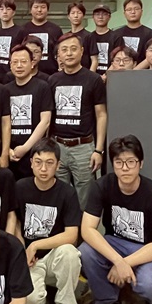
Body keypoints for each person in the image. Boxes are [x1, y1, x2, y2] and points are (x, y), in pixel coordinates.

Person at [79, 135, 152, 304]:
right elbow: (87, 229)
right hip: (115, 242)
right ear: (113, 165)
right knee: (85, 251)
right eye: (119, 162)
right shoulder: (102, 186)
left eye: (131, 162)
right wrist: (117, 260)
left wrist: (125, 263)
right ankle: (107, 300)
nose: (125, 168)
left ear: (141, 163)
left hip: (146, 248)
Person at [14, 138, 82, 304]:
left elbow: (72, 235)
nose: (43, 168)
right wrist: (22, 250)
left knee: (70, 253)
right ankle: (42, 289)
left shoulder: (67, 193)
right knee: (30, 302)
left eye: (49, 163)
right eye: (38, 162)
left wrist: (35, 245)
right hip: (30, 259)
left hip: (54, 256)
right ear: (31, 163)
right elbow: (14, 222)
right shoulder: (20, 187)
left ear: (58, 165)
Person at [49, 33, 107, 209]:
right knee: (58, 196)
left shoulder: (93, 79)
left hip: (84, 147)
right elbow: (48, 116)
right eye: (64, 50)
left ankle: (85, 228)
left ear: (82, 51)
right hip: (57, 146)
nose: (69, 53)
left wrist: (98, 150)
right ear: (58, 55)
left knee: (86, 200)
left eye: (73, 49)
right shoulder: (53, 80)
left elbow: (101, 115)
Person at [5, 44, 54, 180]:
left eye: (23, 61)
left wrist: (25, 148)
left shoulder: (42, 86)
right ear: (10, 65)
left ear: (32, 63)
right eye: (15, 62)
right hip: (10, 153)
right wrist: (7, 149)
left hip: (34, 152)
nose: (19, 65)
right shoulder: (4, 90)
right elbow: (2, 123)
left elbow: (45, 121)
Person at [21, 0, 63, 76]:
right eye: (36, 7)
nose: (39, 10)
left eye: (43, 7)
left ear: (48, 10)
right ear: (30, 10)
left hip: (51, 74)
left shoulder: (56, 29)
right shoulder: (23, 30)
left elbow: (59, 52)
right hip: (28, 74)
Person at [113, 0, 152, 65]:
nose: (133, 12)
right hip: (120, 70)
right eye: (129, 9)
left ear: (141, 12)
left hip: (142, 70)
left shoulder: (150, 33)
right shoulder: (116, 34)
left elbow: (151, 57)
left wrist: (135, 69)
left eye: (136, 9)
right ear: (124, 13)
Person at [0, 0, 24, 76]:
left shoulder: (21, 31)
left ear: (13, 12)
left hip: (13, 74)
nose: (5, 12)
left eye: (8, 9)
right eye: (1, 9)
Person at [89, 4, 115, 77]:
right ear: (93, 17)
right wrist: (92, 78)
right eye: (97, 14)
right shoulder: (88, 38)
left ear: (109, 17)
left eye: (104, 14)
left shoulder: (116, 37)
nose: (100, 17)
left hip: (111, 77)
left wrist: (106, 76)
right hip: (92, 78)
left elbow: (117, 60)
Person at [67, 2, 92, 69]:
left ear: (83, 16)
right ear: (68, 16)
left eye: (79, 13)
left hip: (85, 72)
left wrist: (90, 75)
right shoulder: (66, 36)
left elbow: (94, 60)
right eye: (73, 13)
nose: (76, 16)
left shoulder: (89, 36)